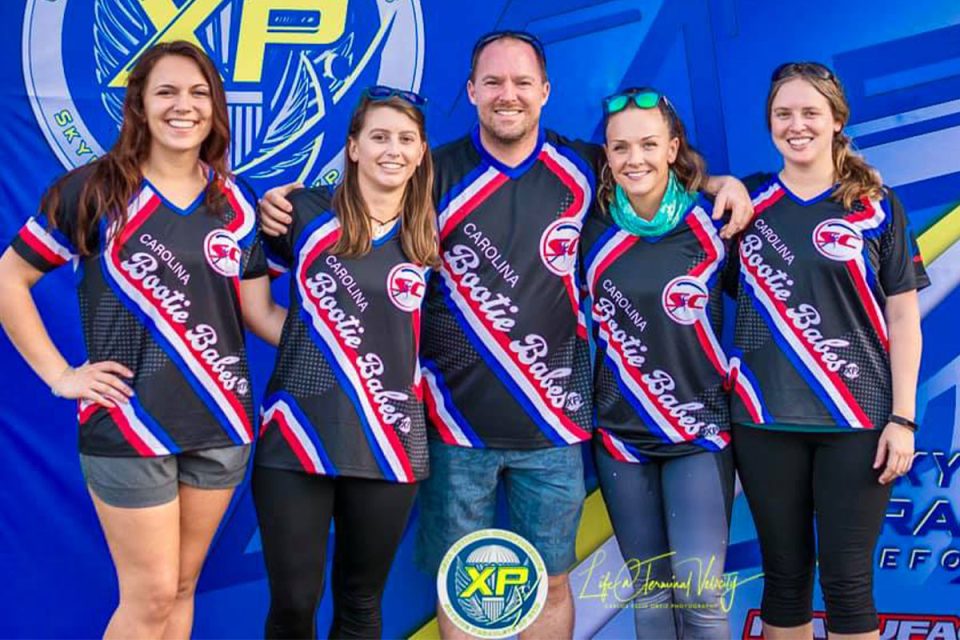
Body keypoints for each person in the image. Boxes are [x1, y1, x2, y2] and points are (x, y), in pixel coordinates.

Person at [259, 31, 753, 639]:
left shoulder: (584, 168)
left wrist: (717, 185)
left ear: (545, 91)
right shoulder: (430, 175)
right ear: (470, 91)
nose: (507, 95)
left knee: (549, 584)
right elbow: (355, 212)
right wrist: (279, 210)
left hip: (555, 425)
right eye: (492, 82)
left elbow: (648, 170)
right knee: (463, 586)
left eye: (522, 82)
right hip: (453, 427)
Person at [0, 41, 282, 639]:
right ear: (140, 105)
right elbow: (9, 277)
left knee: (181, 589)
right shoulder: (96, 190)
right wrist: (59, 374)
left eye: (199, 93)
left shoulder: (236, 201)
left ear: (217, 107)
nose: (184, 106)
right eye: (167, 92)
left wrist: (358, 343)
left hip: (222, 424)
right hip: (130, 425)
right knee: (150, 596)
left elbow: (260, 314)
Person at [727, 62, 928, 639]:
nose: (797, 125)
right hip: (764, 420)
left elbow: (903, 317)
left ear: (837, 120)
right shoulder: (747, 205)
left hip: (858, 420)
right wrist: (721, 184)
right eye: (783, 114)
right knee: (784, 579)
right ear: (768, 123)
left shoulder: (877, 205)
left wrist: (903, 418)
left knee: (847, 582)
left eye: (810, 112)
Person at [250, 86, 437, 639]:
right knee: (293, 605)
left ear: (422, 152)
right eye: (378, 137)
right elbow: (256, 308)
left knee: (360, 604)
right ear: (352, 147)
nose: (392, 150)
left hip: (389, 443)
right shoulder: (301, 213)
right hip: (296, 436)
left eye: (406, 139)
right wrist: (325, 344)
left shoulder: (432, 232)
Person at [581, 87, 735, 638]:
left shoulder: (714, 222)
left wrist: (726, 184)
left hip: (698, 434)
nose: (635, 159)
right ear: (607, 154)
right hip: (622, 437)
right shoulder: (589, 228)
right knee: (651, 595)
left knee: (699, 592)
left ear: (673, 147)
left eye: (649, 144)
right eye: (621, 148)